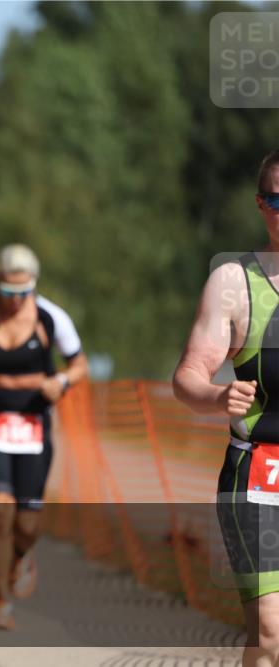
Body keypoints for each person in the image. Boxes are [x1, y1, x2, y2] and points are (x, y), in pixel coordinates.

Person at [0, 244, 87, 630]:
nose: (15, 300)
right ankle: (1, 601)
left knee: (27, 522)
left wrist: (60, 381)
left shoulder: (51, 317)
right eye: (7, 292)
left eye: (23, 292)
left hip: (34, 424)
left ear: (33, 286)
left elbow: (79, 365)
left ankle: (22, 556)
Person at [173, 149, 279, 667]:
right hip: (259, 475)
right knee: (271, 634)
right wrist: (217, 396)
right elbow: (187, 378)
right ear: (262, 205)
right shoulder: (235, 285)